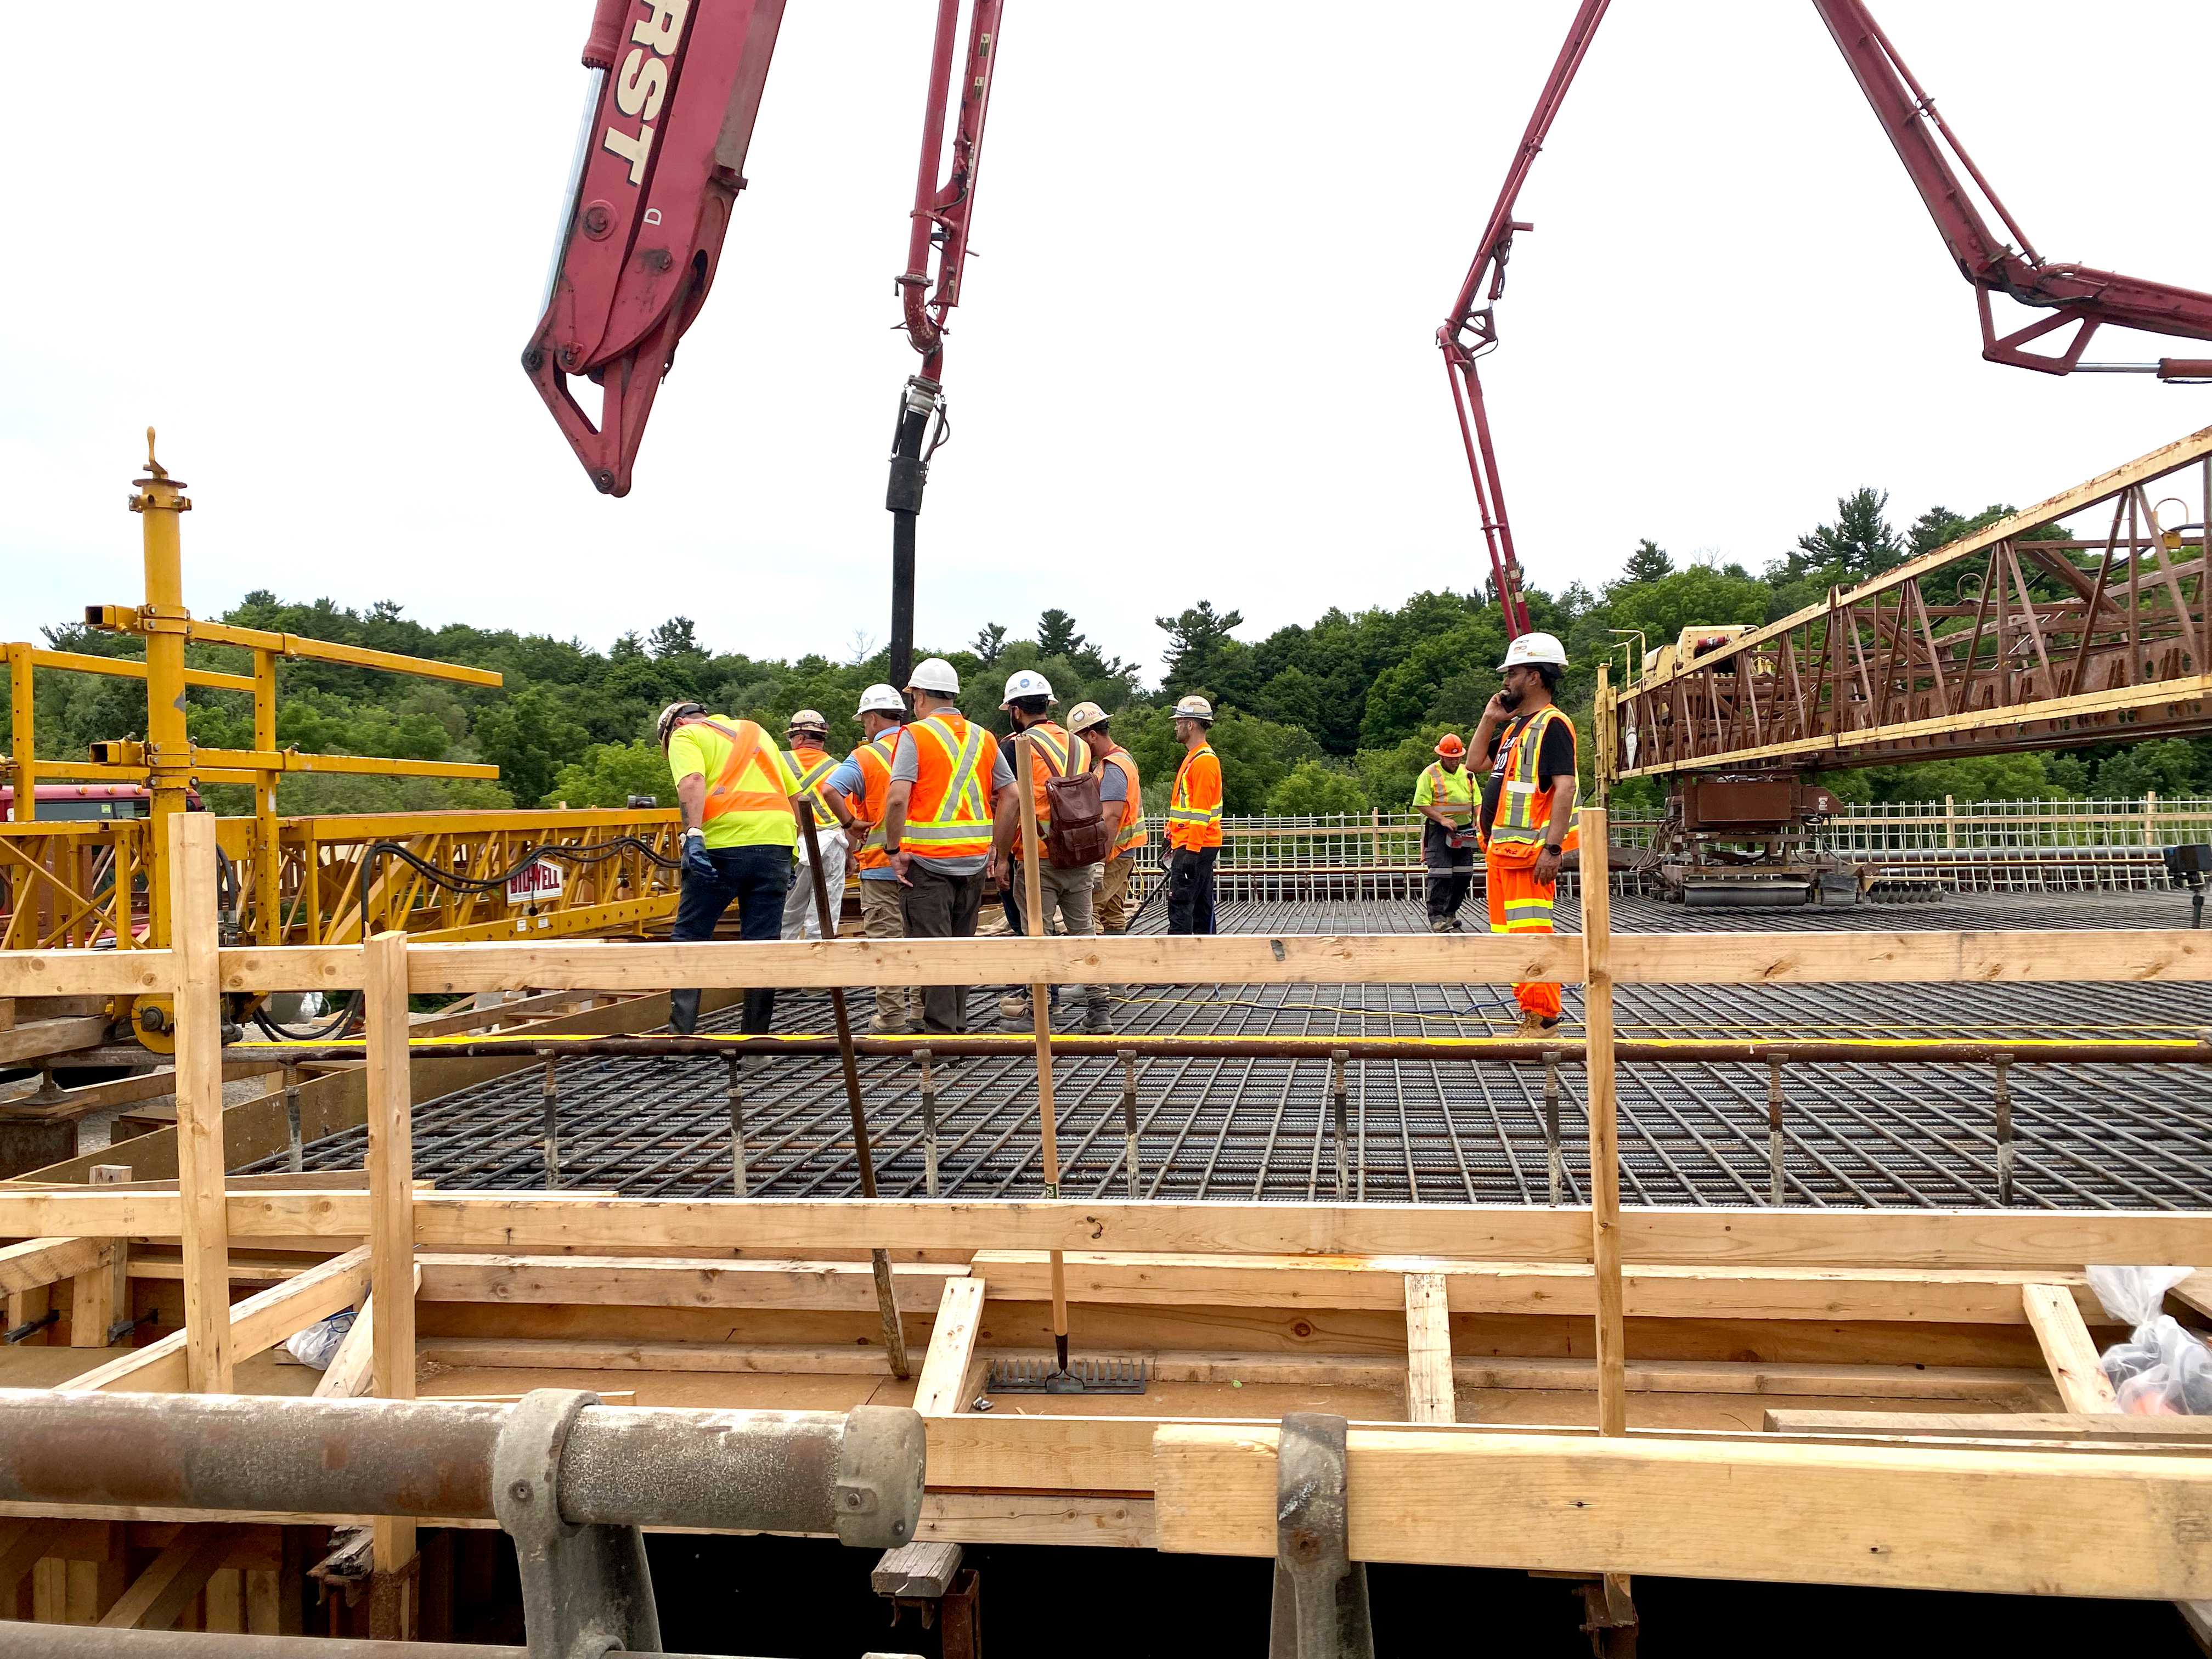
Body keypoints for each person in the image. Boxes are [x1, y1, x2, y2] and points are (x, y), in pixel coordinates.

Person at [882, 657, 1017, 1035]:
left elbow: (897, 799)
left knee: (934, 954)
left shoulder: (915, 735)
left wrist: (893, 850)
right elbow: (1012, 795)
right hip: (973, 863)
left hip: (927, 865)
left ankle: (941, 1036)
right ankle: (955, 1028)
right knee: (960, 948)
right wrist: (997, 848)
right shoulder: (983, 737)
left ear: (921, 696)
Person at [658, 699, 803, 1036]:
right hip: (775, 846)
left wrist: (694, 834)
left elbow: (693, 781)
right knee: (762, 944)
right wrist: (791, 851)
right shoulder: (756, 732)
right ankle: (756, 1044)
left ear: (675, 725)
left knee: (691, 937)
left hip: (722, 847)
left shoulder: (686, 735)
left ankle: (680, 1038)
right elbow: (795, 797)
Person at [1469, 632, 1580, 1038]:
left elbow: (1565, 787)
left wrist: (1553, 848)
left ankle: (1544, 1020)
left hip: (1530, 857)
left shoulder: (1552, 725)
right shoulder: (1518, 728)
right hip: (1504, 854)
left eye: (1513, 673)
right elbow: (1475, 762)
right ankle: (1532, 1016)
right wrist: (1489, 719)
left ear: (1535, 676)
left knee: (1530, 937)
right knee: (1511, 940)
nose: (1506, 681)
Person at [992, 672, 1110, 1035]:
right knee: (1083, 933)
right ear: (1048, 705)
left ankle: (1042, 1011)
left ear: (1015, 710)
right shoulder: (1079, 746)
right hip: (1079, 853)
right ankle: (1099, 1010)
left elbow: (1011, 804)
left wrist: (1001, 857)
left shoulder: (1015, 747)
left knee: (1038, 936)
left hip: (1037, 857)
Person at [822, 684, 919, 1034]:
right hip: (924, 864)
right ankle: (922, 1014)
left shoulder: (866, 757)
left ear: (873, 719)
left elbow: (830, 789)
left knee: (887, 945)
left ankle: (892, 1019)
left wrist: (849, 822)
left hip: (881, 866)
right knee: (922, 944)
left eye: (865, 720)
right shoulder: (922, 748)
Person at [1069, 702, 1145, 934]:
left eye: (1080, 740)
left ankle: (1096, 956)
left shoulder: (1112, 767)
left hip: (1113, 854)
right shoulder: (1121, 758)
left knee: (1090, 910)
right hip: (1122, 852)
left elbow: (1111, 816)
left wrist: (1099, 862)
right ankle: (1117, 953)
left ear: (1092, 736)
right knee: (1112, 914)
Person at [778, 709, 847, 942]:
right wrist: (851, 855)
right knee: (825, 915)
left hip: (793, 844)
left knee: (787, 912)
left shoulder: (779, 762)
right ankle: (820, 959)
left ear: (798, 738)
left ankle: (782, 958)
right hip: (832, 843)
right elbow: (848, 814)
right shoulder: (839, 768)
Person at [1164, 693, 1222, 935]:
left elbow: (1200, 813)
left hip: (1195, 845)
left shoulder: (1203, 762)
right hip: (1194, 844)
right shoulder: (1196, 758)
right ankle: (1205, 951)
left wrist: (1191, 852)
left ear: (1190, 724)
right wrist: (1171, 835)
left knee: (1181, 904)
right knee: (1201, 907)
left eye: (1179, 722)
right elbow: (1186, 808)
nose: (1176, 727)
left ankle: (1180, 954)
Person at [1414, 733, 1479, 933]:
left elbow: (1477, 800)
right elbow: (1421, 803)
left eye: (1457, 757)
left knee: (1464, 874)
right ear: (1441, 755)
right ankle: (1437, 917)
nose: (1454, 761)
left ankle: (1450, 913)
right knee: (1441, 873)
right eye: (1450, 758)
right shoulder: (1430, 774)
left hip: (1465, 830)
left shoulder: (1468, 773)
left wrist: (1477, 819)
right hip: (1440, 830)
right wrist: (1442, 819)